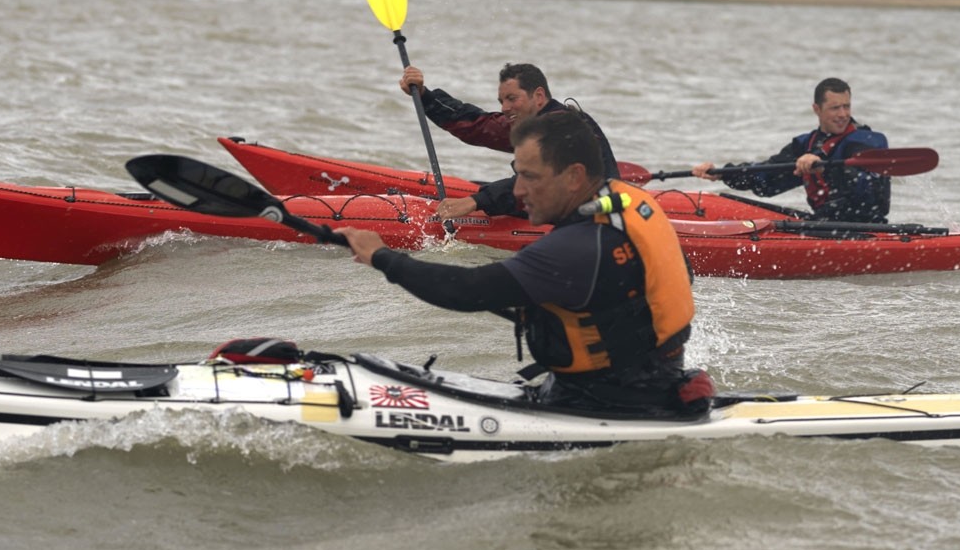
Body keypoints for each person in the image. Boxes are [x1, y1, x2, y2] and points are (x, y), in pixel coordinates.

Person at [337, 110, 706, 416]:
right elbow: (670, 279)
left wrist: (382, 257)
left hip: (604, 402)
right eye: (517, 175)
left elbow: (467, 291)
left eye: (529, 177)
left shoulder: (574, 250)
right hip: (659, 379)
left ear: (575, 176)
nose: (516, 191)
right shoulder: (632, 203)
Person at [399, 62, 620, 221]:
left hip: (593, 215)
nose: (504, 108)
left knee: (480, 195)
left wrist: (475, 201)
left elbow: (536, 185)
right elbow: (478, 126)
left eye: (512, 99)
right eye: (502, 101)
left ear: (539, 96)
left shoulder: (562, 129)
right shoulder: (531, 123)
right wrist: (425, 95)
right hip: (563, 204)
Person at [692, 78, 891, 223]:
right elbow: (767, 177)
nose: (843, 114)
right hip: (824, 225)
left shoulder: (867, 140)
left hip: (867, 228)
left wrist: (822, 163)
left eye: (846, 107)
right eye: (835, 108)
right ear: (817, 109)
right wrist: (722, 174)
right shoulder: (804, 144)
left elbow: (861, 165)